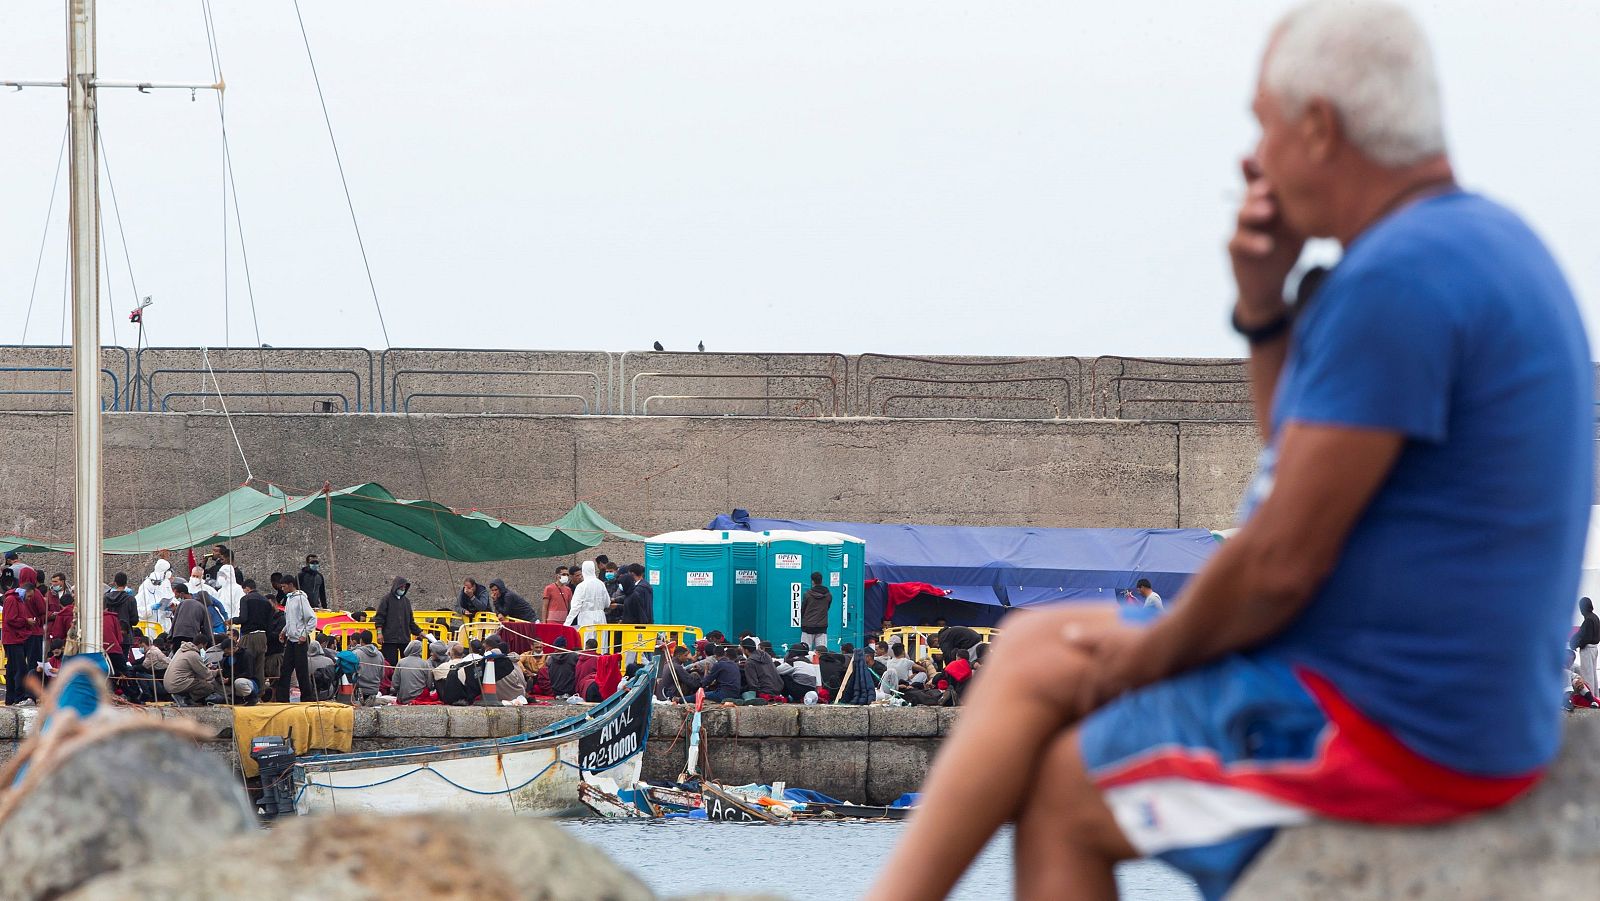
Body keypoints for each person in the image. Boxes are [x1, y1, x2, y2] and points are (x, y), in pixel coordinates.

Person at [872, 4, 1593, 898]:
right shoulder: (1473, 244)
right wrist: (1263, 308)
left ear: (1320, 127)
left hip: (1397, 726)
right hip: (1429, 691)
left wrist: (1153, 652)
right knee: (1025, 650)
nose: (1252, 157)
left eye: (1264, 122)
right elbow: (1295, 467)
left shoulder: (1398, 280)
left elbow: (1280, 562)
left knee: (1062, 788)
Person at [2, 577, 44, 705]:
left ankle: (12, 697)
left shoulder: (18, 600)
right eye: (29, 596)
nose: (29, 599)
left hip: (16, 638)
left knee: (13, 669)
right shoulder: (12, 600)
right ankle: (18, 697)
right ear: (26, 591)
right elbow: (10, 619)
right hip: (13, 639)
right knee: (20, 668)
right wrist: (26, 621)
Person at [275, 574, 317, 703]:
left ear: (291, 585)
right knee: (285, 669)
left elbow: (312, 618)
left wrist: (304, 634)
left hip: (300, 640)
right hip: (291, 639)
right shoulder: (289, 599)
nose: (282, 589)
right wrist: (284, 631)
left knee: (301, 670)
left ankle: (307, 697)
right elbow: (291, 620)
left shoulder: (300, 599)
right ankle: (282, 698)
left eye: (284, 586)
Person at [234, 578, 273, 695]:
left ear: (247, 588)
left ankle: (247, 693)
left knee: (246, 664)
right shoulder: (266, 602)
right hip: (262, 636)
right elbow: (269, 623)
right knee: (259, 667)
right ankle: (260, 692)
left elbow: (243, 618)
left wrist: (232, 620)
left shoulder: (245, 599)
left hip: (249, 636)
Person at [373, 576, 422, 667]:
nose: (403, 589)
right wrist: (379, 633)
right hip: (389, 639)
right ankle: (391, 681)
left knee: (407, 664)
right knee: (390, 665)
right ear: (396, 586)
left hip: (404, 638)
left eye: (404, 587)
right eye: (401, 587)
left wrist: (420, 632)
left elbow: (411, 621)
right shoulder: (386, 599)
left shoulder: (406, 602)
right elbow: (379, 618)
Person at [164, 638, 223, 706]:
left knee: (198, 682)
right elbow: (206, 674)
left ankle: (183, 696)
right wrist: (217, 672)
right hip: (178, 683)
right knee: (208, 687)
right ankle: (185, 698)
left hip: (169, 683)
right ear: (201, 645)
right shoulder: (193, 654)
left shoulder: (181, 650)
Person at [480, 635, 526, 705]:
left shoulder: (489, 661)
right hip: (519, 695)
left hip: (498, 697)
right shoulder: (514, 662)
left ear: (488, 648)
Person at [564, 562, 610, 630]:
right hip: (601, 618)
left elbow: (575, 607)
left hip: (586, 619)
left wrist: (566, 624)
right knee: (601, 639)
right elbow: (607, 603)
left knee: (587, 638)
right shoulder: (601, 584)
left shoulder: (581, 586)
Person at [166, 583, 209, 649]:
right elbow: (206, 627)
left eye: (176, 594)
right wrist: (208, 642)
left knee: (177, 655)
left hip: (177, 634)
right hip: (192, 635)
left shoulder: (182, 603)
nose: (176, 597)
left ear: (182, 594)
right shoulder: (202, 607)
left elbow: (175, 620)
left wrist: (170, 636)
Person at [350, 631, 386, 703]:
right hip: (374, 690)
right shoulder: (380, 654)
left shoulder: (356, 653)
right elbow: (382, 675)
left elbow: (352, 673)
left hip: (360, 690)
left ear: (361, 640)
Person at [1572, 597, 1599, 694]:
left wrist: (1577, 644)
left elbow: (1585, 638)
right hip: (1594, 648)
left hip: (1587, 649)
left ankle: (1589, 697)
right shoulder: (1595, 617)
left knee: (1587, 675)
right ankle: (1595, 695)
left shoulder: (1588, 619)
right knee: (1593, 674)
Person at [800, 572, 832, 650]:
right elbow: (827, 608)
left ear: (812, 581)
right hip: (822, 626)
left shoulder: (807, 594)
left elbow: (803, 610)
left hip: (808, 626)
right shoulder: (828, 595)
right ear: (821, 580)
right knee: (822, 652)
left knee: (805, 651)